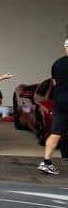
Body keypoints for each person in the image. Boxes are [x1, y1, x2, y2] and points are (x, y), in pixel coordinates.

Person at [39, 39, 68, 176]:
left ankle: (46, 162)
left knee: (55, 132)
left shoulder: (56, 63)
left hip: (59, 101)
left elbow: (55, 82)